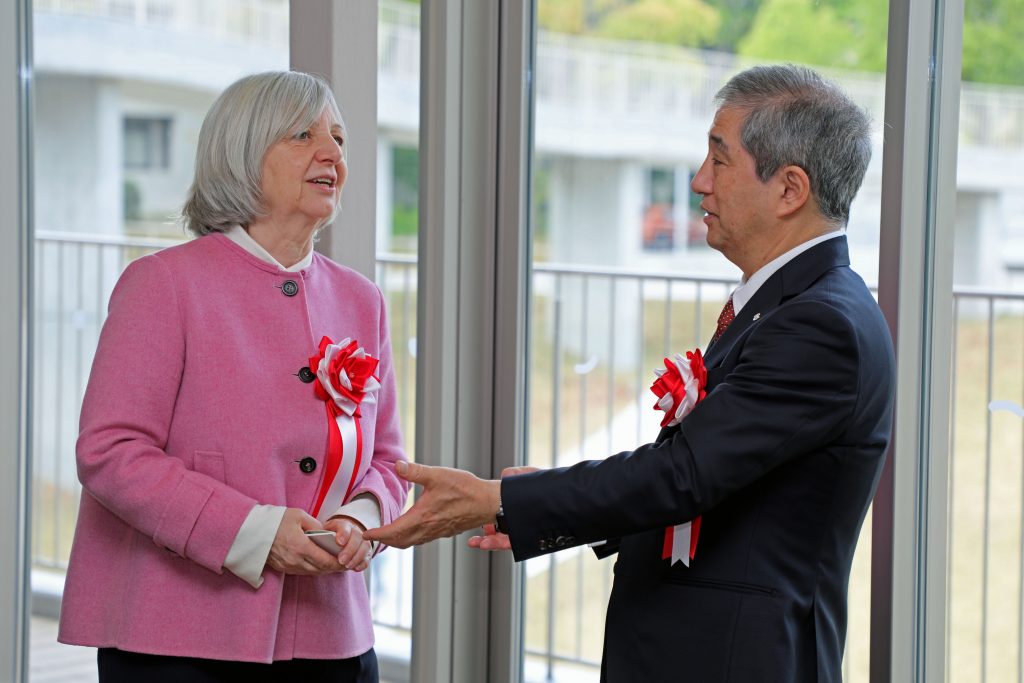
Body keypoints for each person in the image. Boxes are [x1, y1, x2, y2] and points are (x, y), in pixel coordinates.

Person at [365, 64, 895, 682]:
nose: (699, 182)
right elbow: (713, 480)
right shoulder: (794, 307)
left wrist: (503, 499)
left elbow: (683, 475)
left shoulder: (820, 326)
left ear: (789, 189)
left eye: (718, 161)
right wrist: (551, 498)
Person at [58, 71, 409, 683]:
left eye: (340, 139)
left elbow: (386, 459)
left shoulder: (362, 299)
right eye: (303, 135)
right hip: (176, 641)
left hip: (334, 638)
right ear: (244, 152)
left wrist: (360, 521)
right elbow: (110, 452)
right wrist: (255, 533)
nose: (331, 153)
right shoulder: (162, 284)